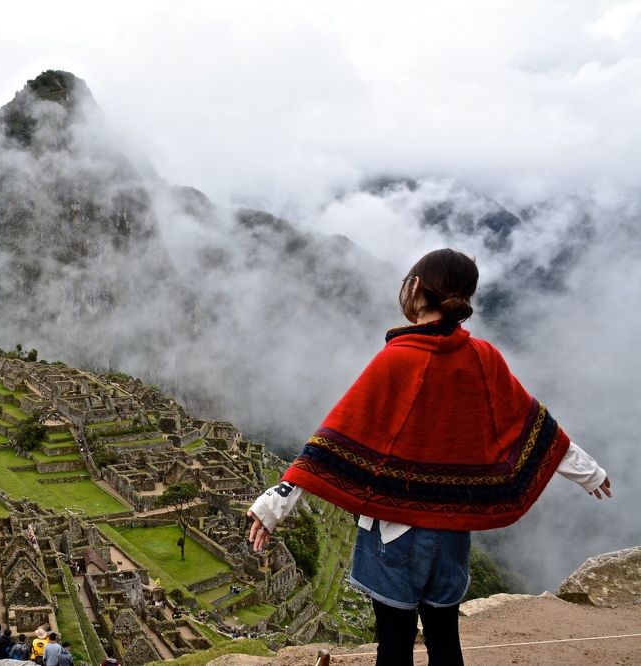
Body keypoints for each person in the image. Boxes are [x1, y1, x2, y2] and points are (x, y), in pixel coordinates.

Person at [247, 248, 612, 666]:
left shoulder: (397, 359)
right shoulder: (483, 357)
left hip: (395, 532)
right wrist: (587, 471)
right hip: (452, 531)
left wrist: (277, 502)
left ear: (416, 288)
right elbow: (529, 422)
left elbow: (337, 436)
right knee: (444, 641)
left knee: (394, 646)